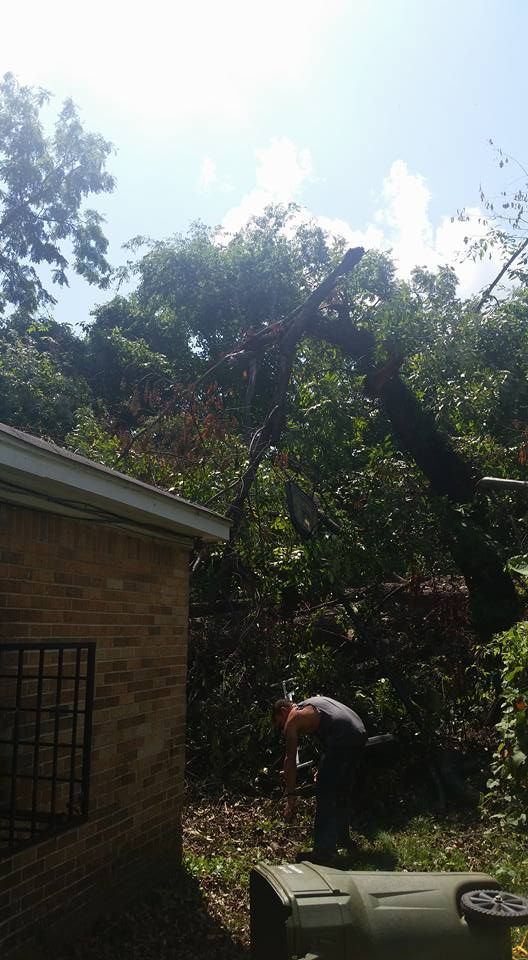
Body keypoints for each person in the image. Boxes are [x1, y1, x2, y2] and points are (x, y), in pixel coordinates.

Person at [272, 695, 367, 864]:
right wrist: (324, 768)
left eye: (280, 723)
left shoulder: (293, 718)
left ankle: (324, 851)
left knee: (325, 792)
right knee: (341, 791)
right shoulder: (312, 703)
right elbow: (331, 730)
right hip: (358, 731)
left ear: (284, 711)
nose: (283, 729)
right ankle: (343, 841)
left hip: (343, 735)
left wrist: (291, 795)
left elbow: (290, 759)